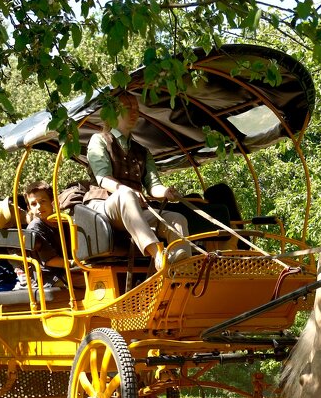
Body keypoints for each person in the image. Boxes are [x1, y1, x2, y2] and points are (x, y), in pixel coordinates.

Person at [85, 93, 192, 270]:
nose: (134, 112)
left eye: (136, 108)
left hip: (134, 209)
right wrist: (128, 191)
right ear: (112, 112)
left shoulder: (142, 151)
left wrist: (165, 192)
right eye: (127, 108)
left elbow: (153, 186)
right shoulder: (99, 140)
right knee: (125, 193)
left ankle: (182, 268)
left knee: (177, 218)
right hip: (103, 207)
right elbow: (103, 178)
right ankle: (159, 255)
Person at [21, 181, 66, 289]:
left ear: (53, 202)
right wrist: (76, 264)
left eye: (43, 201)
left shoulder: (63, 222)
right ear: (29, 208)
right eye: (33, 204)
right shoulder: (35, 227)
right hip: (49, 279)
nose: (39, 207)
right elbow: (50, 260)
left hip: (65, 271)